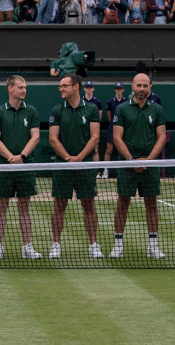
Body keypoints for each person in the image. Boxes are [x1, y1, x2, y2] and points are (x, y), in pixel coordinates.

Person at [111, 73, 166, 259]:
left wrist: (147, 161)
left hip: (150, 166)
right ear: (132, 87)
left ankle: (153, 245)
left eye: (145, 85)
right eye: (138, 85)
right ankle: (118, 244)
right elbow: (117, 137)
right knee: (122, 203)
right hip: (127, 165)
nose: (142, 88)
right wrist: (130, 160)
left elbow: (162, 137)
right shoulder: (122, 109)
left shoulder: (157, 109)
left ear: (149, 86)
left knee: (151, 204)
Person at [48, 74, 103, 259]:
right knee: (59, 205)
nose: (61, 89)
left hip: (85, 165)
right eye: (60, 86)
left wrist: (79, 158)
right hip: (62, 166)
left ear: (76, 87)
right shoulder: (57, 110)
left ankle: (94, 244)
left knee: (89, 205)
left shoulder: (92, 109)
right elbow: (53, 139)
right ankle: (56, 244)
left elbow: (95, 137)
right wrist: (68, 159)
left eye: (65, 85)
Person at [0, 75, 41, 260]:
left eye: (25, 87)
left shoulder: (32, 111)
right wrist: (11, 157)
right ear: (10, 89)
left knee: (25, 207)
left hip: (25, 166)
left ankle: (27, 246)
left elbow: (35, 137)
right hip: (5, 166)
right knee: (1, 206)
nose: (24, 90)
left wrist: (22, 157)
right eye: (20, 87)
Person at [101, 82, 129, 178]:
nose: (118, 90)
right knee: (109, 149)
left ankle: (125, 171)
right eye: (117, 89)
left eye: (120, 89)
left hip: (124, 128)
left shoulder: (127, 101)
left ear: (123, 90)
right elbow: (109, 117)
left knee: (123, 150)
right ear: (115, 90)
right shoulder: (110, 102)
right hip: (112, 128)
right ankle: (105, 171)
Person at [81, 81, 103, 165]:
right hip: (83, 129)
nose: (89, 90)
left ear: (93, 89)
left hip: (94, 128)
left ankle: (96, 170)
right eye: (87, 88)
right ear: (84, 89)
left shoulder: (97, 101)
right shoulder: (81, 100)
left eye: (90, 88)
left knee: (95, 149)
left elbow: (100, 115)